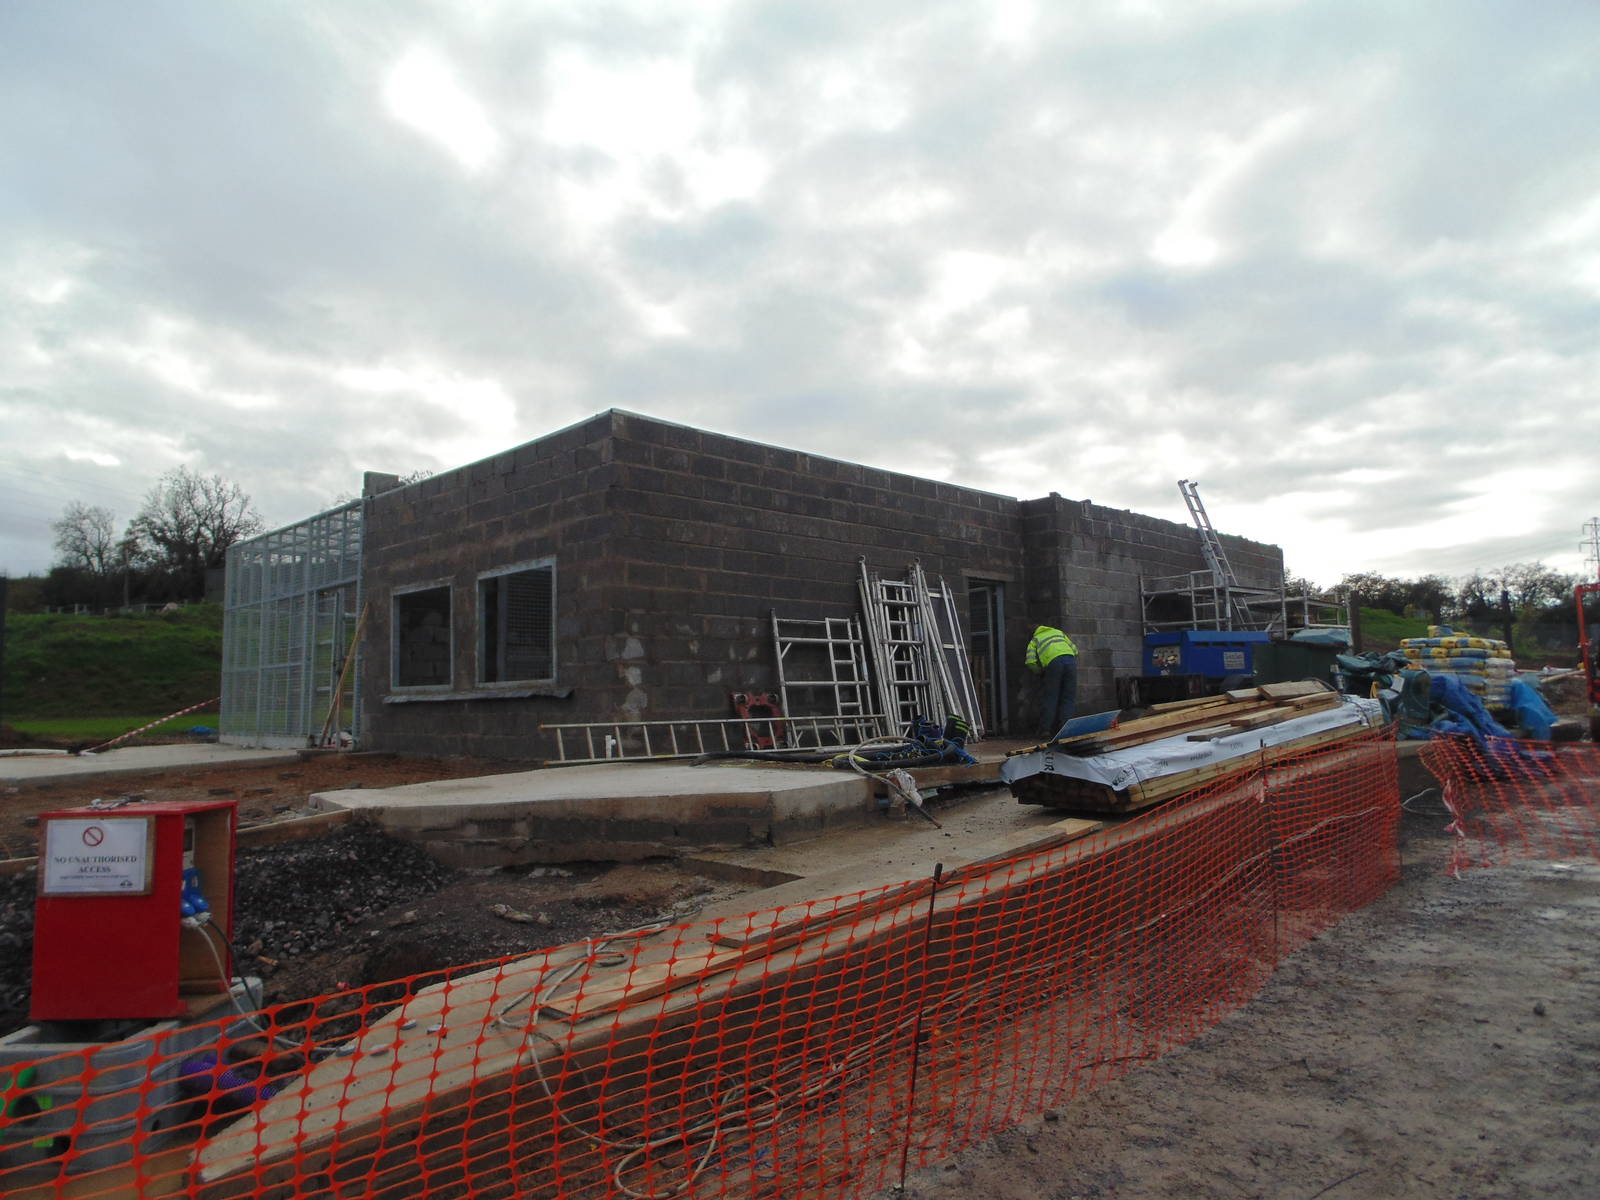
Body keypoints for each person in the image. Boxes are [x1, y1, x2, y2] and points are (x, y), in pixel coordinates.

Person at [1026, 623, 1079, 740]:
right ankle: (1065, 729)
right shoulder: (1058, 633)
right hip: (1070, 661)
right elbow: (1075, 650)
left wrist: (1039, 672)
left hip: (1053, 664)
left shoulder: (1035, 639)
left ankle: (1045, 730)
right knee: (1068, 698)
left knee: (1051, 697)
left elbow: (1030, 661)